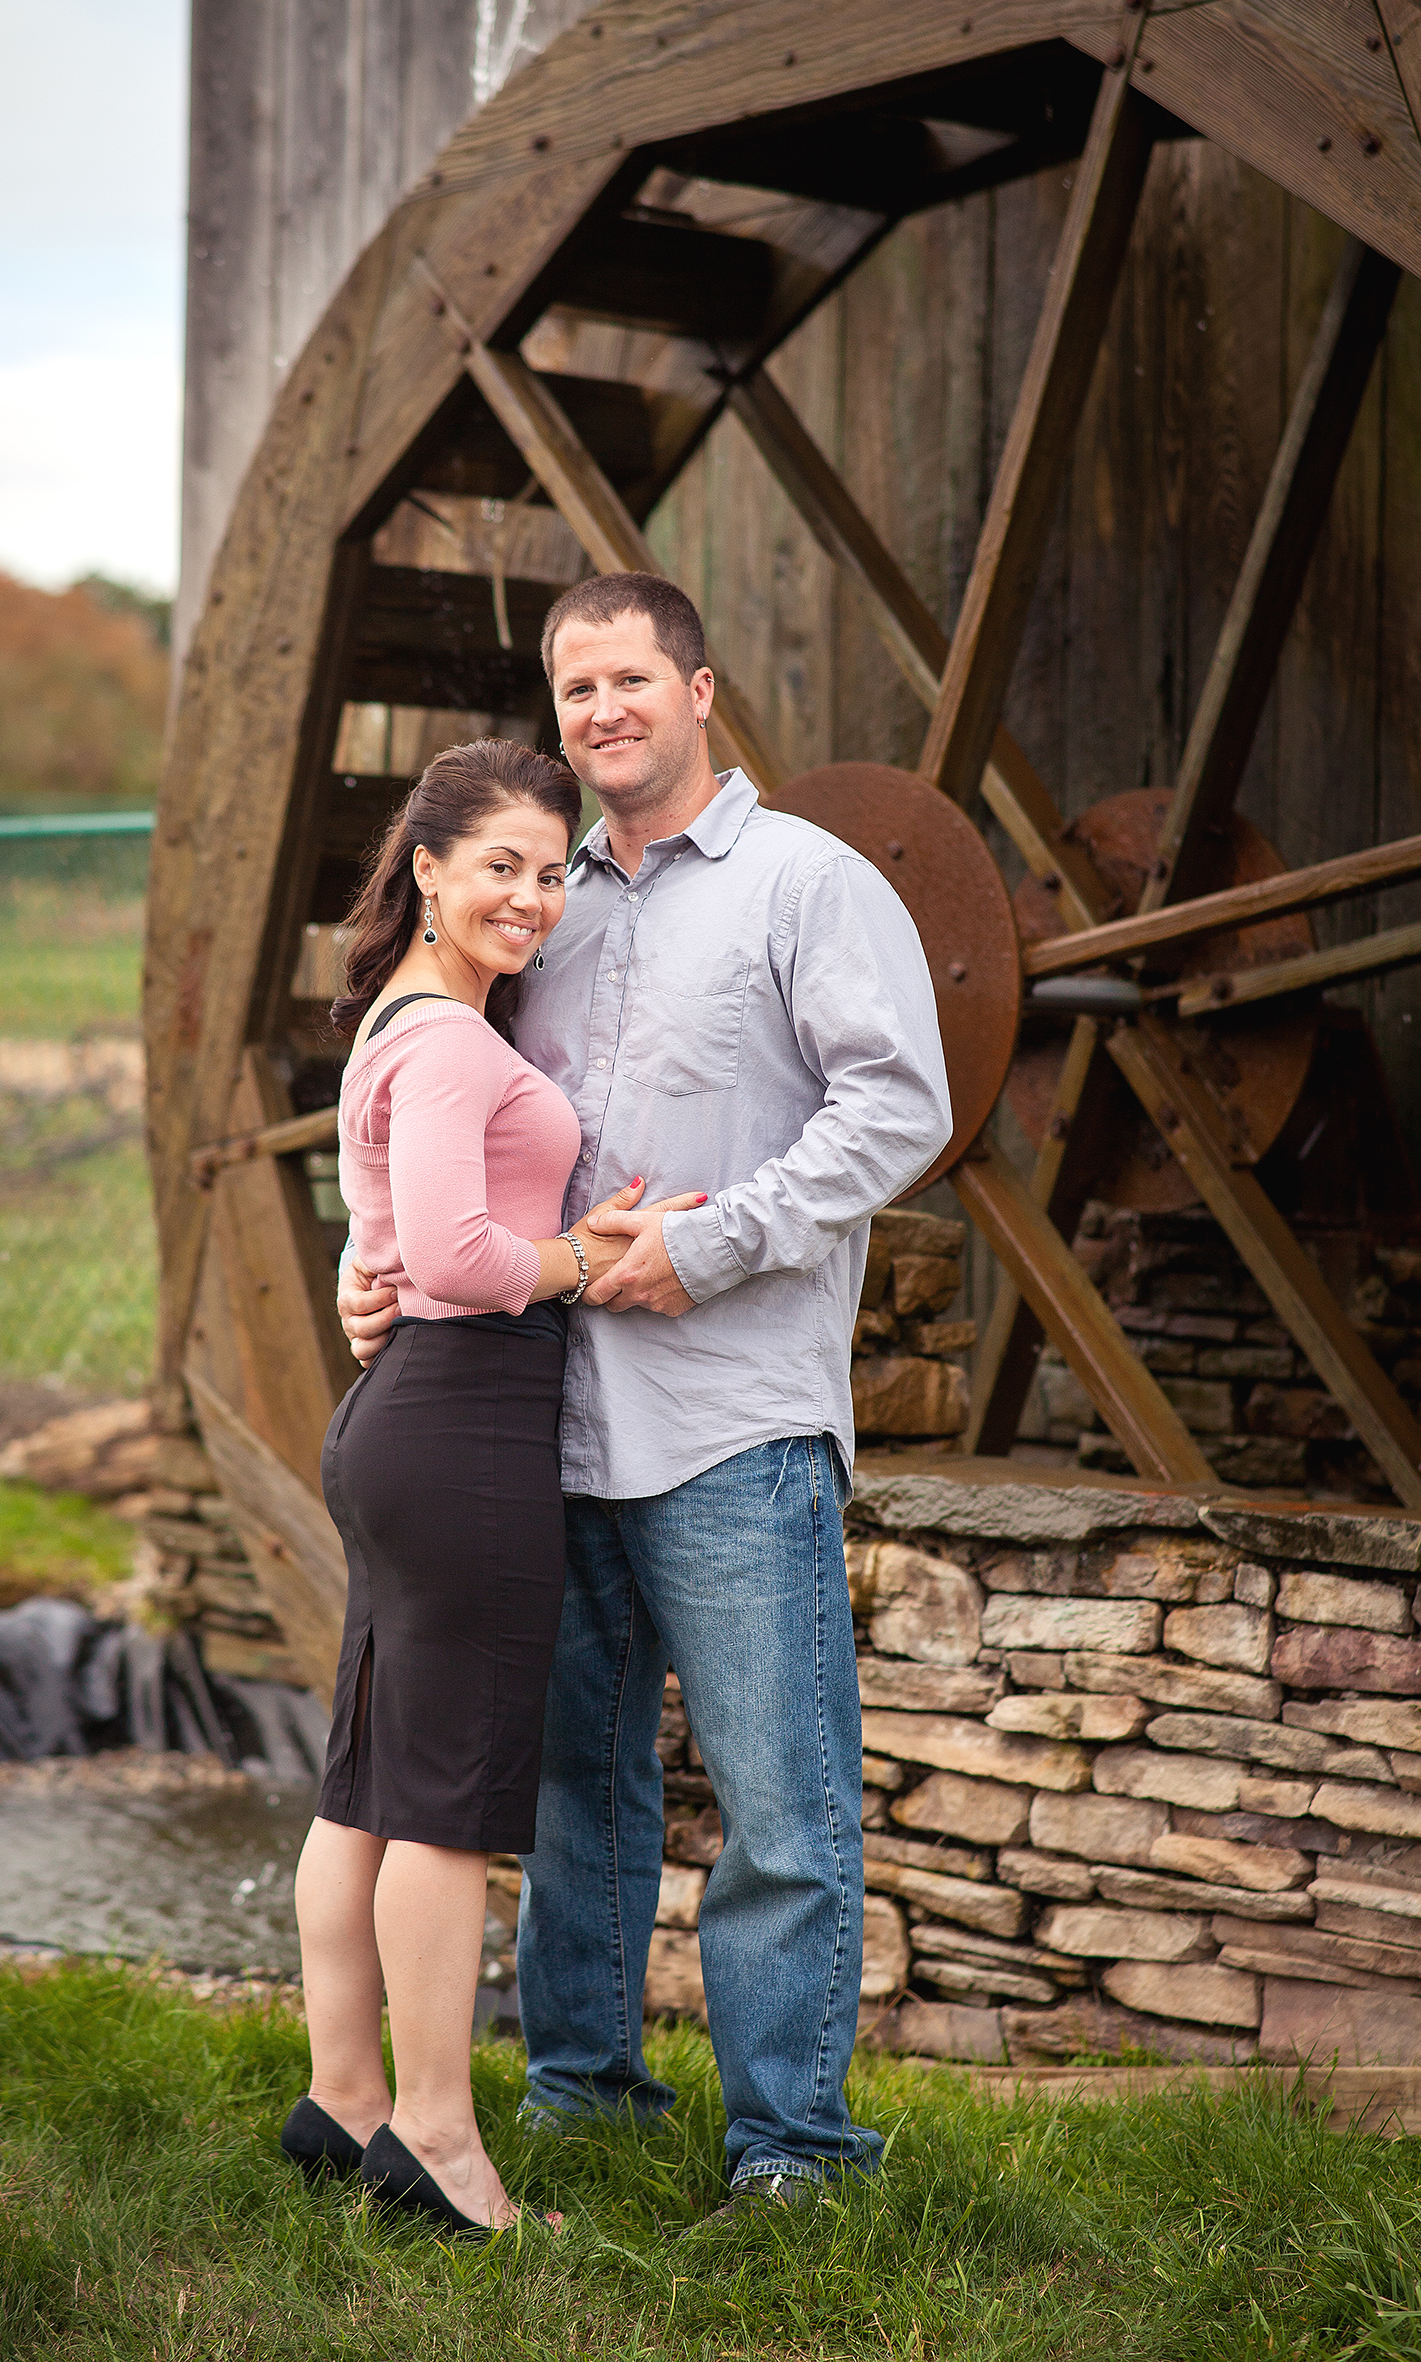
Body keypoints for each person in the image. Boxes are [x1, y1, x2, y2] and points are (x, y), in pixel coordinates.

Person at [343, 573, 953, 2212]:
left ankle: (795, 2149)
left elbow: (903, 1112)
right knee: (571, 1795)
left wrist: (721, 1243)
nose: (601, 712)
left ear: (699, 686)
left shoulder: (808, 884)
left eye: (629, 679)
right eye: (573, 690)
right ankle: (581, 2098)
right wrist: (380, 1257)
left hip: (733, 1417)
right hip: (543, 1418)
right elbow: (437, 1107)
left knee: (781, 1805)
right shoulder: (549, 902)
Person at [283, 736, 706, 2237]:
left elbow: (403, 1225)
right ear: (427, 870)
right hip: (462, 1433)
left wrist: (546, 1234)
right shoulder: (456, 1040)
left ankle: (343, 2102)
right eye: (500, 868)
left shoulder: (402, 1022)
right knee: (446, 1808)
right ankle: (439, 2140)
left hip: (403, 1426)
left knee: (367, 1788)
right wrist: (591, 1258)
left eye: (548, 869)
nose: (530, 897)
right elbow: (461, 1265)